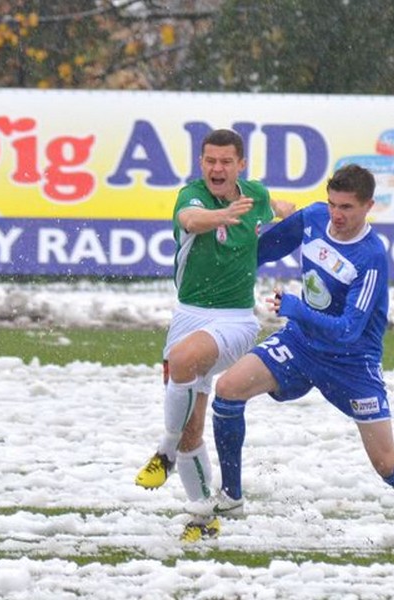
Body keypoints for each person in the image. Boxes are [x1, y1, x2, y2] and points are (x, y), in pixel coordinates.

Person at [204, 163, 394, 548]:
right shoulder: (312, 219)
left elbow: (348, 329)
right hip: (300, 344)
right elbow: (261, 251)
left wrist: (297, 308)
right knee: (227, 389)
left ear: (369, 206)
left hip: (351, 363)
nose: (337, 215)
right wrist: (217, 264)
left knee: (385, 462)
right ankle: (232, 498)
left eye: (347, 208)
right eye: (332, 204)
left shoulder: (370, 256)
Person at [134, 128, 294, 542]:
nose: (217, 168)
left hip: (236, 320)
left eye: (226, 161)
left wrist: (286, 210)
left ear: (241, 164)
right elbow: (191, 220)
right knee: (193, 427)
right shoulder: (191, 197)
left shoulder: (254, 194)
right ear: (201, 162)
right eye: (210, 161)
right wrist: (223, 215)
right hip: (187, 317)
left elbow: (277, 206)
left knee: (184, 361)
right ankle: (203, 516)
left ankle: (164, 453)